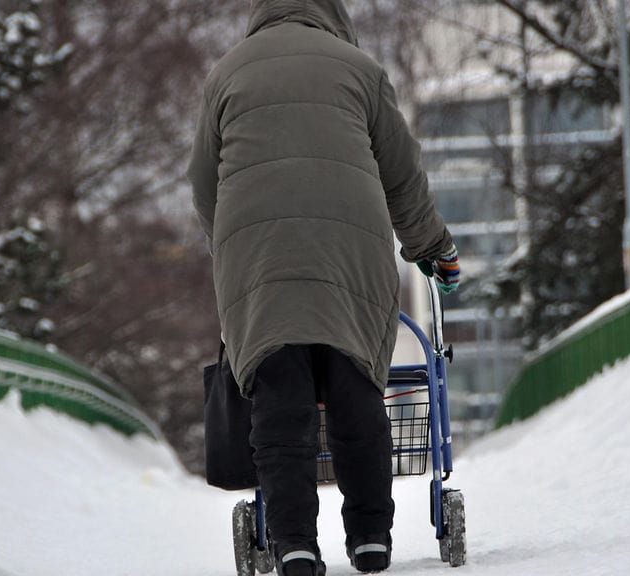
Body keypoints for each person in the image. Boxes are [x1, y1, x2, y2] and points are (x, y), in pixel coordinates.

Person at [188, 1, 460, 574]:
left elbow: (204, 184)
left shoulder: (227, 72)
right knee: (354, 384)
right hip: (350, 249)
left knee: (280, 399)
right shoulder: (359, 69)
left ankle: (293, 544)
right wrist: (433, 247)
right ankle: (370, 538)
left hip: (258, 255)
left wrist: (231, 244)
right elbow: (402, 177)